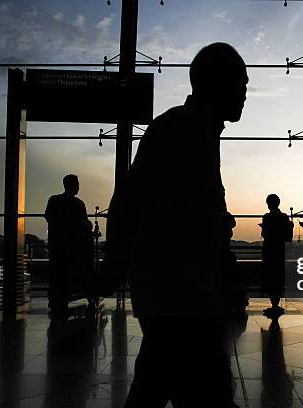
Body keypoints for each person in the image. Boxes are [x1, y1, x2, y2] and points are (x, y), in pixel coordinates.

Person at [106, 43, 248, 407]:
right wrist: (113, 267)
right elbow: (128, 203)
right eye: (240, 82)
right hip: (181, 297)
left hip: (180, 297)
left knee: (157, 386)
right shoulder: (179, 130)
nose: (245, 92)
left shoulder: (193, 131)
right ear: (215, 83)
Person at [44, 174, 92, 315]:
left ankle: (55, 300)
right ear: (73, 185)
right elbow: (83, 225)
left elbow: (48, 217)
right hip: (72, 248)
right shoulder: (78, 204)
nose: (78, 187)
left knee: (56, 275)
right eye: (77, 184)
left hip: (56, 246)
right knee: (71, 273)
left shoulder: (53, 200)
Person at [260, 194, 293, 317]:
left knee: (270, 276)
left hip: (269, 250)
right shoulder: (284, 217)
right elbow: (287, 236)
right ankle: (276, 304)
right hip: (280, 250)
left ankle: (273, 304)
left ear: (268, 204)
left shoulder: (267, 217)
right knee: (278, 277)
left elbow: (265, 234)